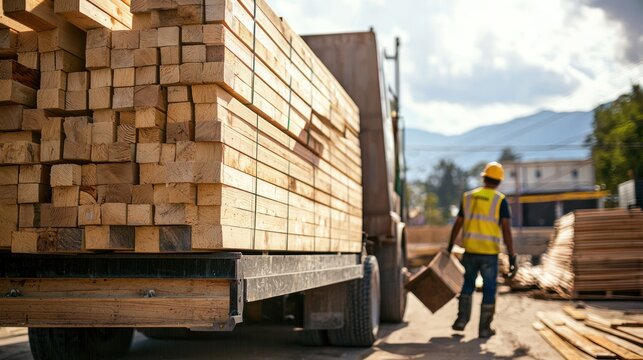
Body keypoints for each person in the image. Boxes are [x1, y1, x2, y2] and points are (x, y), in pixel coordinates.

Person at [446, 161, 517, 338]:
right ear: (499, 181)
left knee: (468, 285)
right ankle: (484, 329)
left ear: (484, 177)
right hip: (489, 254)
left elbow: (458, 223)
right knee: (489, 289)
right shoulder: (500, 200)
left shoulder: (468, 197)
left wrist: (450, 245)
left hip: (470, 251)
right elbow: (506, 230)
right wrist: (512, 256)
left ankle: (461, 320)